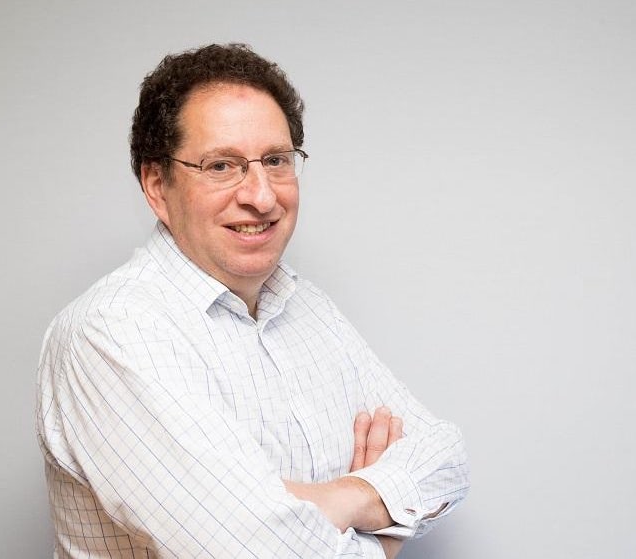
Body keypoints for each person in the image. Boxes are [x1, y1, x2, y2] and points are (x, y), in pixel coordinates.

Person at [36, 43, 469, 558]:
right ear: (157, 186)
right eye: (222, 166)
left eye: (276, 161)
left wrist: (344, 498)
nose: (262, 196)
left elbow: (447, 459)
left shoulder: (306, 306)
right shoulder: (112, 332)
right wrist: (386, 534)